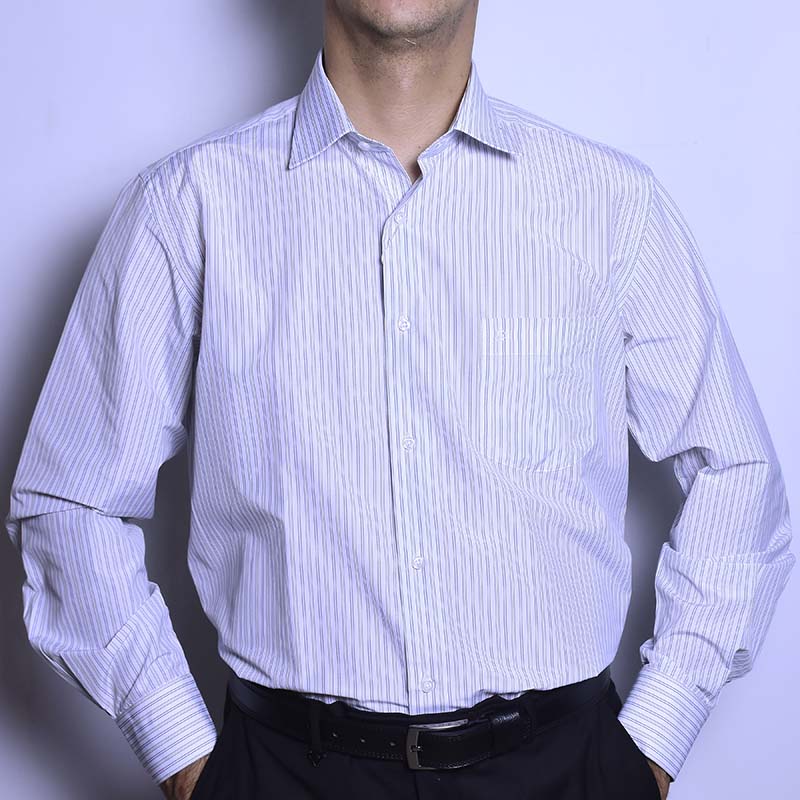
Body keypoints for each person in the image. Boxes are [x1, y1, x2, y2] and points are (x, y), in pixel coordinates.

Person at [5, 1, 794, 798]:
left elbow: (738, 473)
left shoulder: (612, 206)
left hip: (564, 770)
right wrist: (181, 750)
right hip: (285, 773)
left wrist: (651, 741)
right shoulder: (186, 207)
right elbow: (70, 499)